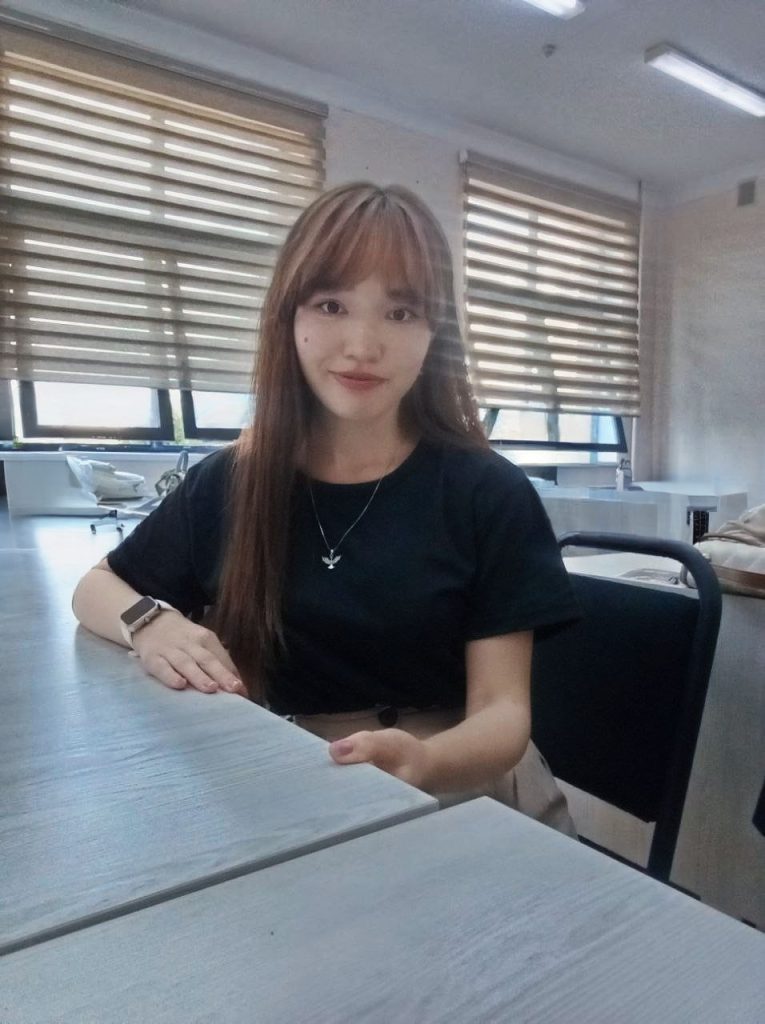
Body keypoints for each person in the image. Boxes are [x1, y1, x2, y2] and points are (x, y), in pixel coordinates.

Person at [72, 182, 580, 834]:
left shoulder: (488, 492)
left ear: (434, 334)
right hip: (289, 777)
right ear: (290, 317)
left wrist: (423, 761)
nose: (363, 344)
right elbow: (95, 587)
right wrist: (151, 623)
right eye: (332, 305)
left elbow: (502, 713)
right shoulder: (232, 480)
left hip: (459, 780)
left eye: (400, 313)